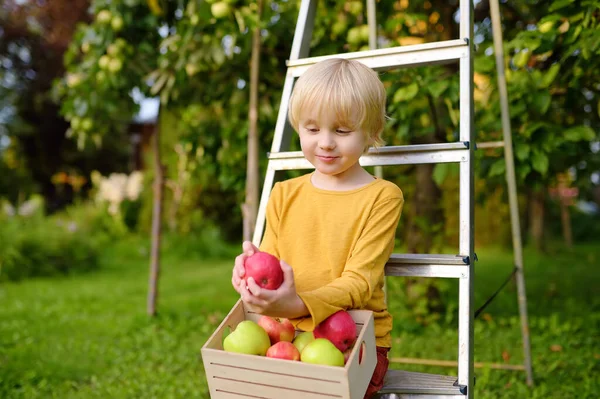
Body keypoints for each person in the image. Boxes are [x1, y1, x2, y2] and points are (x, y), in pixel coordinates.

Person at [231, 58, 404, 398]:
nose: (325, 142)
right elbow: (271, 267)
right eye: (312, 130)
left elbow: (359, 283)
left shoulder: (382, 197)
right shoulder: (285, 194)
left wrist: (297, 304)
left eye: (341, 131)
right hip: (287, 334)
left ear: (370, 132)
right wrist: (250, 278)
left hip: (354, 340)